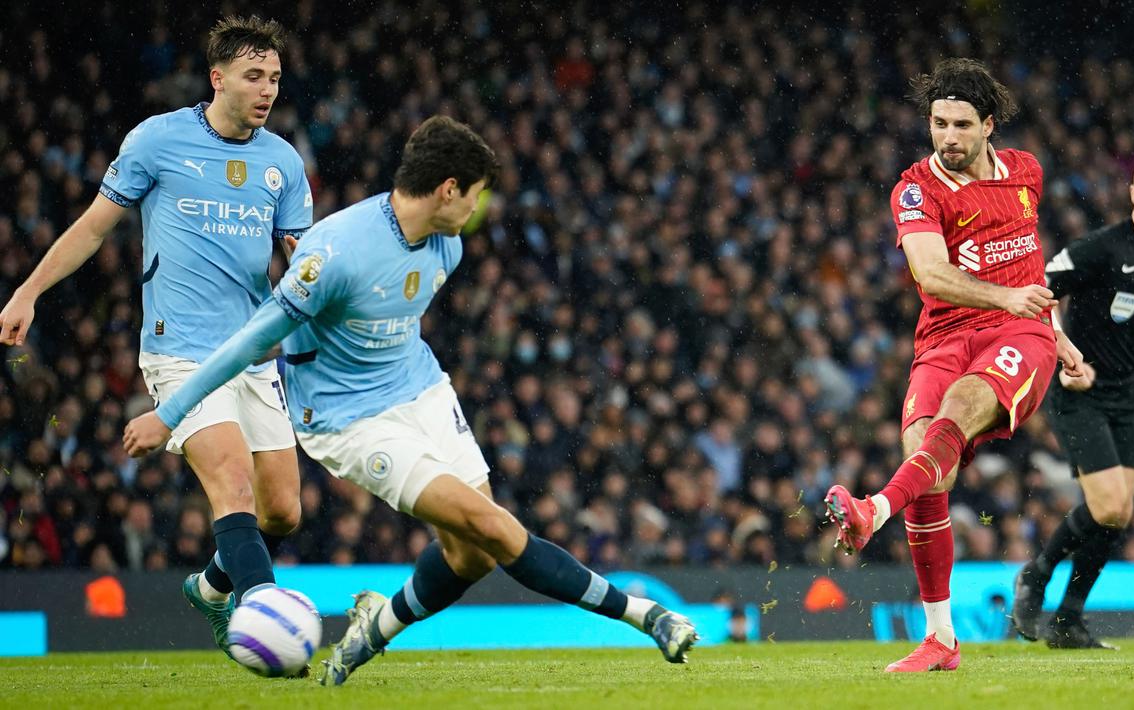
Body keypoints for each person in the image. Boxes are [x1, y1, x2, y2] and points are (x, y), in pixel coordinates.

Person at [123, 115, 698, 686]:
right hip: (349, 420)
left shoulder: (447, 248)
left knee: (471, 555)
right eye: (474, 195)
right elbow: (252, 340)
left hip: (421, 390)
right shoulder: (338, 251)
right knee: (493, 527)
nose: (476, 209)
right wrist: (169, 413)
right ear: (448, 189)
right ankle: (649, 618)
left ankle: (373, 629)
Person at [0, 15, 310, 657]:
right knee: (232, 485)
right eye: (254, 76)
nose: (267, 90)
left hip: (252, 354)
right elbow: (92, 228)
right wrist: (28, 291)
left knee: (283, 512)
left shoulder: (282, 161)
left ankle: (213, 587)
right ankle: (269, 629)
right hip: (181, 351)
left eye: (275, 77)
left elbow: (300, 259)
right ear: (217, 77)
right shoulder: (158, 141)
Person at [822, 58, 1084, 672]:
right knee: (924, 455)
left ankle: (872, 511)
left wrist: (1056, 333)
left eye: (962, 125)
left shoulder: (1025, 173)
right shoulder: (916, 189)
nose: (948, 137)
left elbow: (1029, 268)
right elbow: (932, 273)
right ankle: (941, 639)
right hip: (944, 334)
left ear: (988, 124)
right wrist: (1008, 296)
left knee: (963, 405)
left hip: (1018, 332)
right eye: (939, 124)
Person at [1012, 154, 1134, 648]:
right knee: (1107, 506)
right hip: (1078, 390)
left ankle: (1068, 620)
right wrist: (1064, 353)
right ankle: (1034, 577)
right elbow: (1041, 291)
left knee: (1118, 513)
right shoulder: (1102, 248)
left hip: (1123, 394)